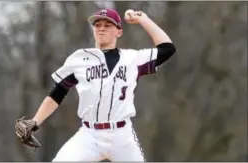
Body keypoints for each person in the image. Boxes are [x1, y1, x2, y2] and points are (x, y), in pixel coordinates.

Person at [21, 8, 176, 161]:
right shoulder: (79, 59)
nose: (101, 28)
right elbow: (57, 94)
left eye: (108, 25)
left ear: (119, 32)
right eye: (97, 25)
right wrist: (35, 121)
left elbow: (167, 49)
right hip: (89, 135)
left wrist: (143, 20)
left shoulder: (133, 59)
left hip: (122, 135)